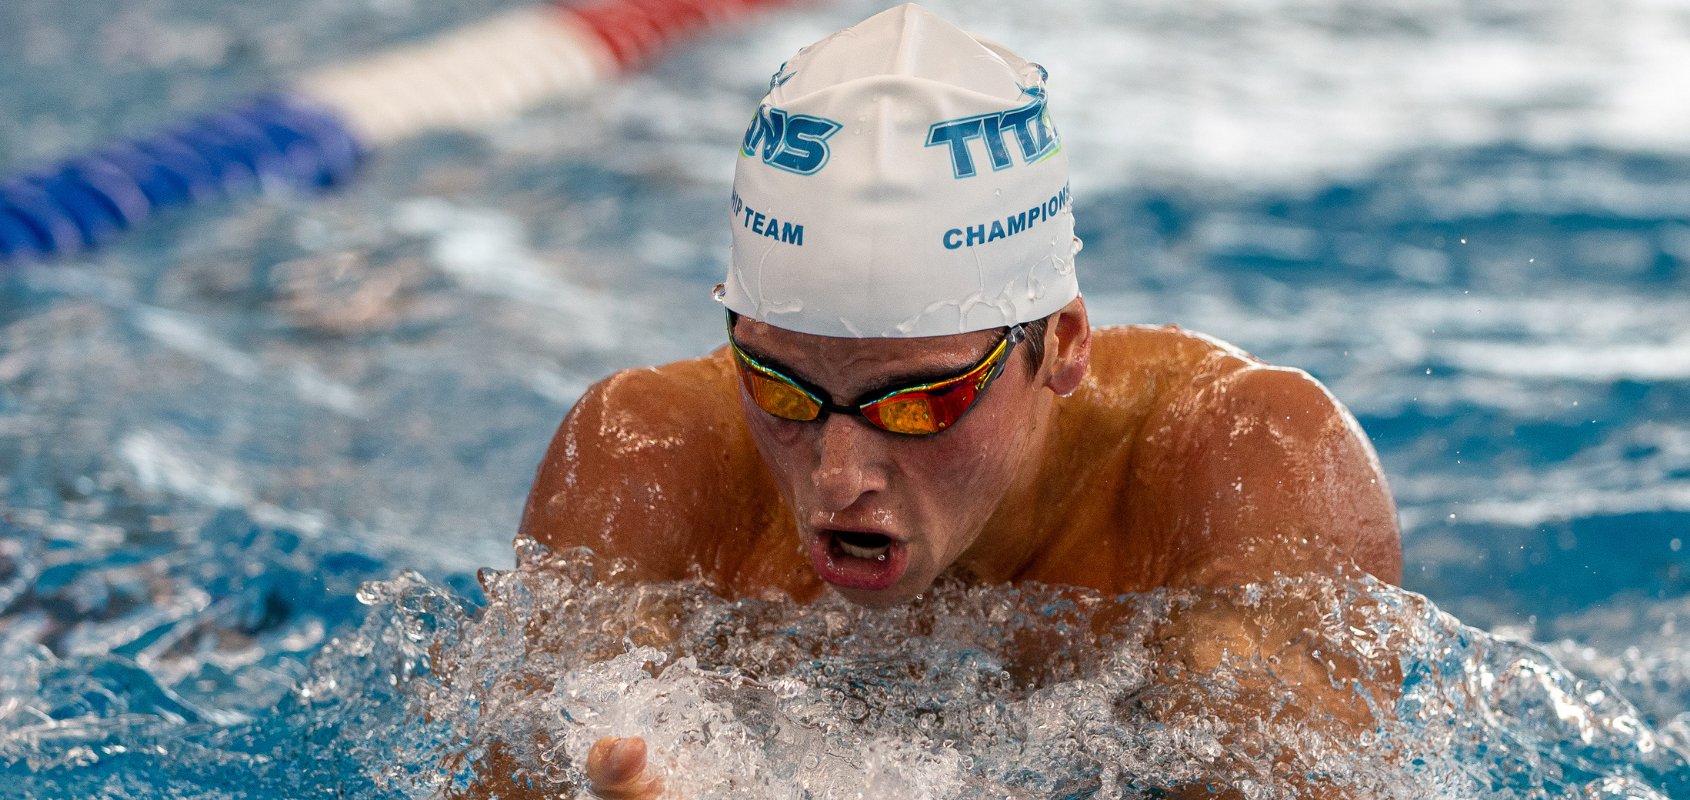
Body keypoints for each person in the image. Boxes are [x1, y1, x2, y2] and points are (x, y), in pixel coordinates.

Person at [516, 5, 1402, 797]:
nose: (838, 477)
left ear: (1064, 344)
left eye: (917, 403)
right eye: (780, 386)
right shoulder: (646, 458)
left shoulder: (1246, 466)